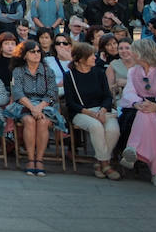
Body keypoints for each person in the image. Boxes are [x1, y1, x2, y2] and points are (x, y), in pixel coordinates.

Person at [62, 41, 121, 180]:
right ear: (81, 59)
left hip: (101, 110)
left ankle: (98, 161)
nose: (95, 58)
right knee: (96, 126)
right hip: (81, 112)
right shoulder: (69, 76)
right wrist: (90, 113)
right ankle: (106, 164)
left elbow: (107, 96)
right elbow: (70, 102)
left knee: (113, 129)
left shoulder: (99, 73)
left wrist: (102, 110)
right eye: (91, 56)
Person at [8, 39, 64, 177]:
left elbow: (52, 93)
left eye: (39, 51)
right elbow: (17, 93)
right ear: (24, 55)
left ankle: (39, 159)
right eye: (32, 52)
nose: (36, 54)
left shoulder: (48, 71)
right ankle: (30, 159)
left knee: (43, 122)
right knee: (29, 121)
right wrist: (32, 108)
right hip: (24, 104)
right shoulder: (18, 71)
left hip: (44, 105)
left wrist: (39, 107)